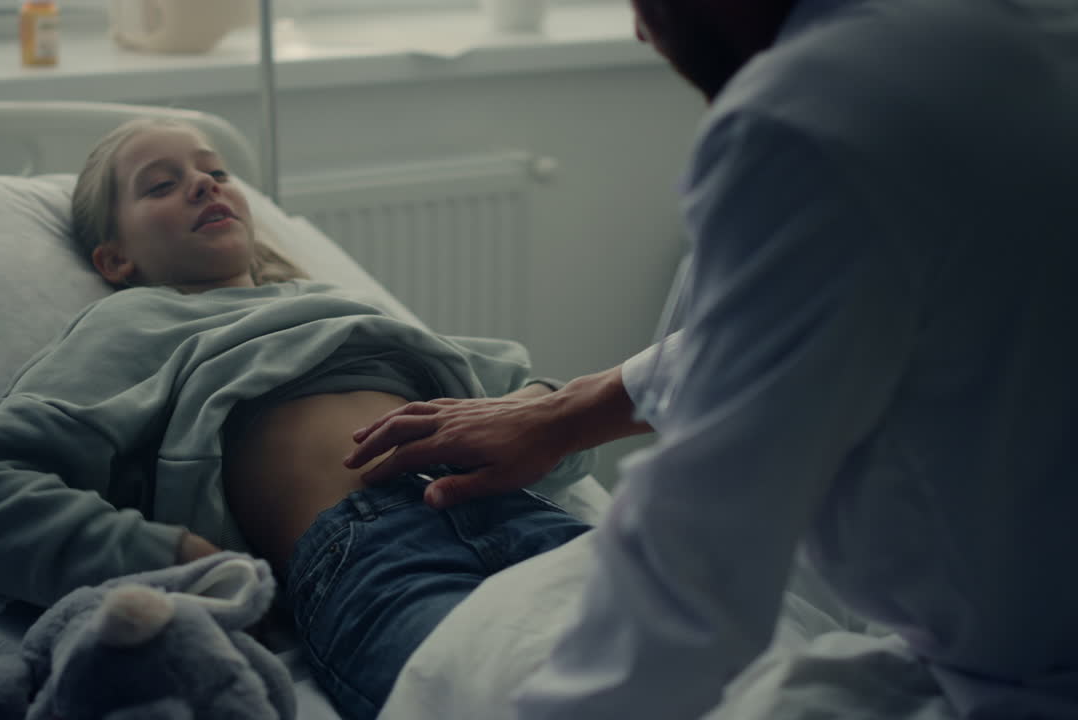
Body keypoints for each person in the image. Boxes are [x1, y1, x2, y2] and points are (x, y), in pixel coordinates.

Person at [345, 0, 1078, 717]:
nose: (640, 28)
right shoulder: (1009, 35)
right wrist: (570, 410)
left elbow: (697, 570)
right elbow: (847, 298)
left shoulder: (812, 114)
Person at [0, 117, 596, 720]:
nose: (204, 183)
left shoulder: (339, 304)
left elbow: (550, 419)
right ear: (116, 260)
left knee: (677, 658)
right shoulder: (130, 326)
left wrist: (531, 404)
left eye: (215, 172)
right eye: (161, 185)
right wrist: (180, 556)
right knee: (503, 698)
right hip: (371, 555)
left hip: (516, 514)